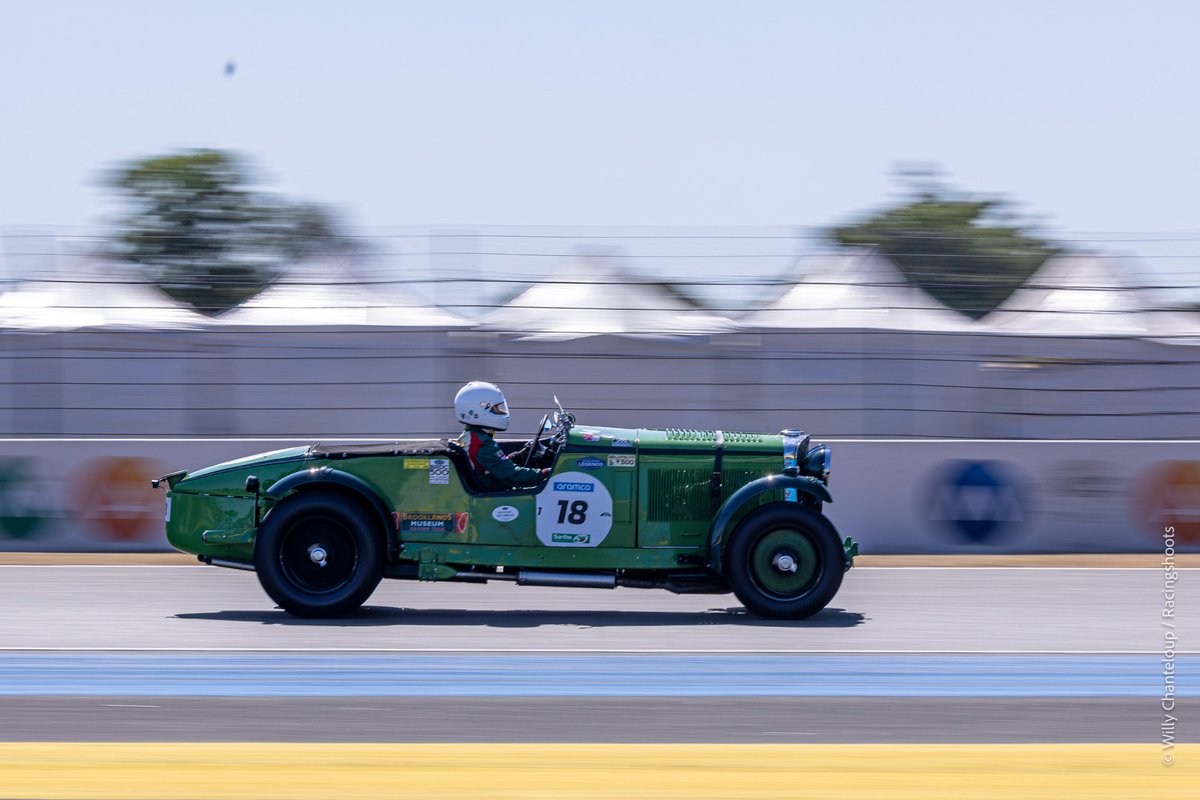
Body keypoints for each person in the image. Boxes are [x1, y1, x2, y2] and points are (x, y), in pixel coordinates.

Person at [454, 381, 549, 491]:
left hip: (490, 486)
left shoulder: (471, 437)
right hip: (493, 495)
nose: (500, 412)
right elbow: (513, 476)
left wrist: (521, 455)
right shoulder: (481, 444)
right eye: (495, 409)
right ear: (477, 411)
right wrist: (544, 473)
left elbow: (496, 464)